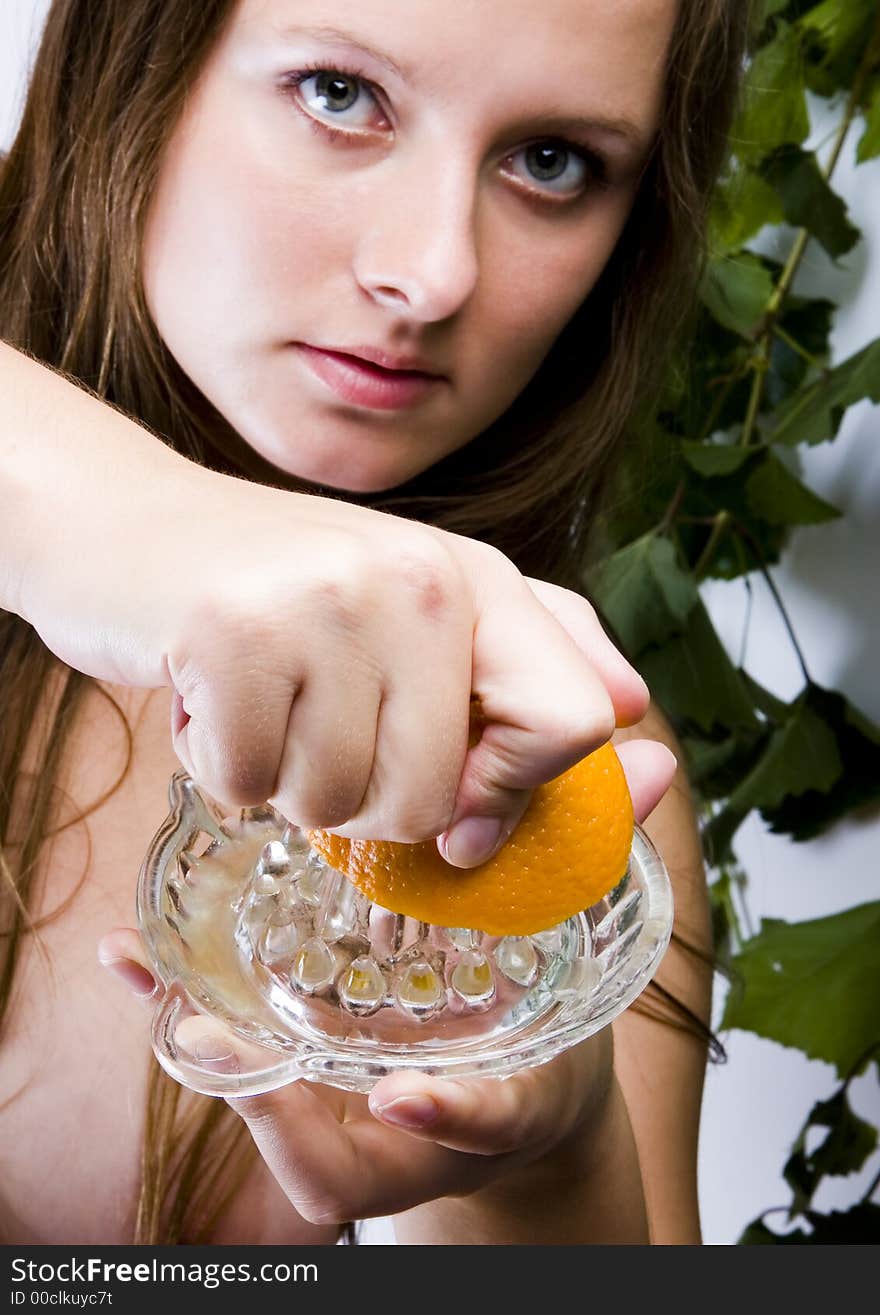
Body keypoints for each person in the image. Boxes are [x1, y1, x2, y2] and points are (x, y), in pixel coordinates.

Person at [0, 0, 747, 1244]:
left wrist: (542, 1168)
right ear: (134, 62)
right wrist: (145, 525)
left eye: (552, 162)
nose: (432, 271)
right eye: (340, 94)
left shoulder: (572, 775)